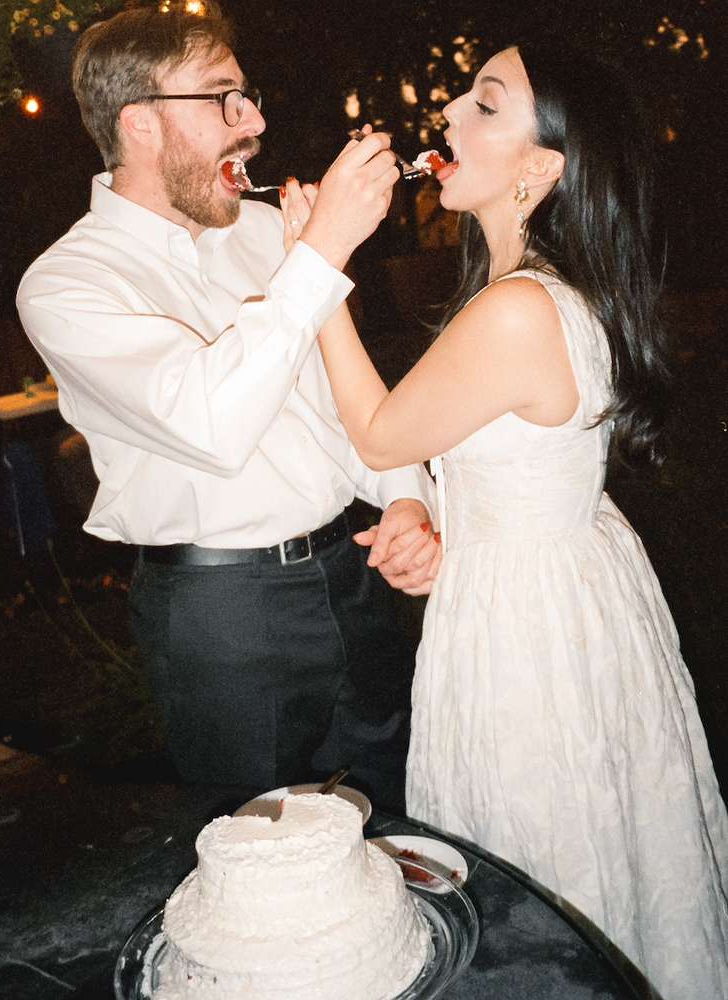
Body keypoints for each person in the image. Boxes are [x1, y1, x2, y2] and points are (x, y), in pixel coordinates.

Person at [306, 41, 728, 996]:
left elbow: (377, 434)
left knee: (539, 848)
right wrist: (447, 533)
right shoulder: (543, 292)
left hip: (531, 628)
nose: (451, 116)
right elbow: (519, 462)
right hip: (561, 583)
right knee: (603, 836)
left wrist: (318, 260)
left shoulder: (519, 308)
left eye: (485, 105)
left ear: (542, 168)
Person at [14, 7, 440, 811]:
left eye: (247, 96)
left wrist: (407, 498)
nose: (256, 122)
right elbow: (213, 425)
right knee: (265, 854)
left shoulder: (271, 229)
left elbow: (336, 400)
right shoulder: (65, 283)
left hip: (353, 574)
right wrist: (320, 254)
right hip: (225, 619)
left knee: (399, 815)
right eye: (223, 98)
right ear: (140, 123)